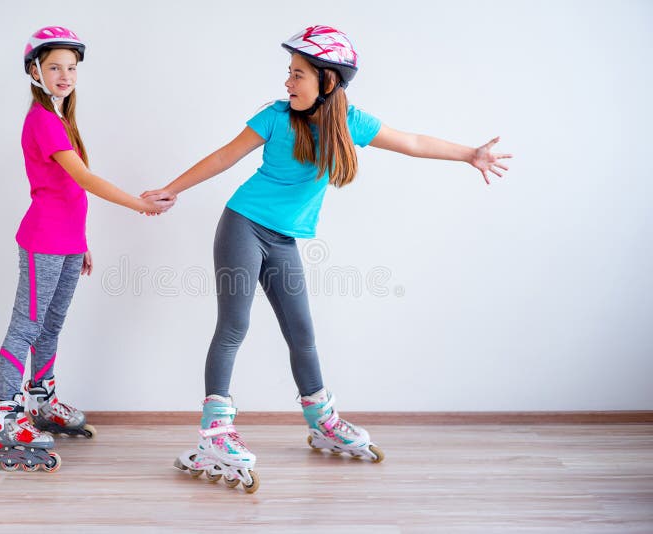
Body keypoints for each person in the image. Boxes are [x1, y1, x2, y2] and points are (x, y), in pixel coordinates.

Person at [145, 25, 512, 493]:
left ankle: (322, 421)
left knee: (303, 333)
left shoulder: (352, 123)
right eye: (289, 73)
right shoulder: (275, 118)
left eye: (297, 75)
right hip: (242, 224)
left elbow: (414, 143)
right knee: (234, 326)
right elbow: (223, 157)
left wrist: (470, 154)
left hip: (283, 240)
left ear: (329, 81)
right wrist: (171, 189)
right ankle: (215, 433)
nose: (287, 83)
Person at [0, 26, 174, 472]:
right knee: (26, 326)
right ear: (35, 71)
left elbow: (68, 193)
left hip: (65, 242)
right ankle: (6, 415)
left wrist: (81, 243)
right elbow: (83, 180)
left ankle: (41, 401)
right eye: (55, 67)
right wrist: (139, 204)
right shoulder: (43, 120)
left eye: (72, 67)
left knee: (51, 326)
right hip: (43, 240)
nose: (65, 75)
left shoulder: (62, 118)